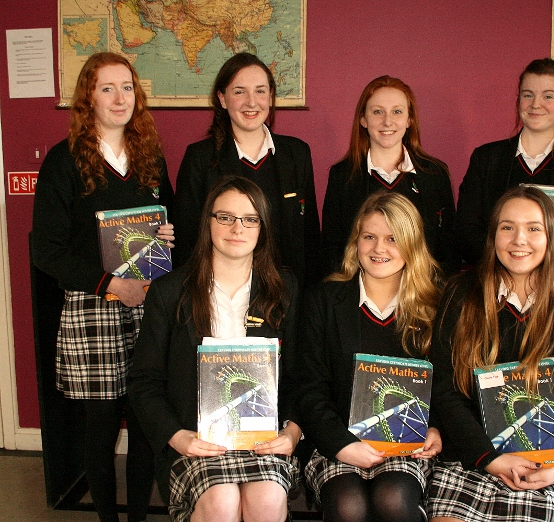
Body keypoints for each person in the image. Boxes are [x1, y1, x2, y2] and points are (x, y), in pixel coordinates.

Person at [31, 52, 174, 522]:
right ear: (87, 97)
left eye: (127, 87)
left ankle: (136, 517)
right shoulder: (63, 160)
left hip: (148, 306)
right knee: (102, 427)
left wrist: (169, 236)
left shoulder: (150, 155)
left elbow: (169, 224)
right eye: (107, 88)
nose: (119, 98)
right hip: (95, 305)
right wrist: (111, 283)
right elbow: (47, 250)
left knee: (146, 420)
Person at [427, 186, 554, 522]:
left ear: (552, 237)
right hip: (472, 457)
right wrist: (490, 458)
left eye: (533, 228)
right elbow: (444, 389)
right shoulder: (461, 292)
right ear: (493, 235)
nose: (519, 240)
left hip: (547, 466)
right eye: (507, 227)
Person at [129, 176, 302, 522]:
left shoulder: (283, 289)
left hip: (263, 438)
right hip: (194, 439)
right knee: (221, 502)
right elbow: (143, 383)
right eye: (225, 217)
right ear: (207, 222)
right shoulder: (169, 291)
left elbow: (302, 375)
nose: (237, 228)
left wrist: (293, 432)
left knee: (267, 499)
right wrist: (178, 438)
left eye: (250, 219)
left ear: (262, 228)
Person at [296, 191, 443, 522]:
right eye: (369, 237)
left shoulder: (436, 307)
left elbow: (447, 385)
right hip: (335, 440)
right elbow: (309, 387)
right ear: (356, 242)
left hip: (407, 444)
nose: (379, 248)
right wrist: (341, 444)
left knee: (392, 497)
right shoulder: (324, 300)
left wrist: (435, 427)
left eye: (393, 239)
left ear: (412, 245)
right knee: (348, 505)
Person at [455, 58, 554, 309]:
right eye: (527, 95)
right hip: (497, 297)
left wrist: (548, 276)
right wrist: (510, 272)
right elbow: (466, 229)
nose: (536, 104)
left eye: (548, 96)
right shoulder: (487, 158)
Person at [172, 52, 320, 288]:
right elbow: (187, 239)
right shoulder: (199, 158)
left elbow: (309, 239)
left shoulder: (297, 154)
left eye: (260, 91)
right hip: (221, 293)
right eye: (239, 92)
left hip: (287, 294)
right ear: (222, 98)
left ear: (270, 96)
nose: (252, 102)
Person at [321, 75, 457, 276]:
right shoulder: (343, 176)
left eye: (397, 112)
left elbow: (448, 249)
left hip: (422, 298)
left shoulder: (435, 174)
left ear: (410, 119)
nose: (387, 121)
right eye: (377, 112)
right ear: (363, 119)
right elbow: (332, 250)